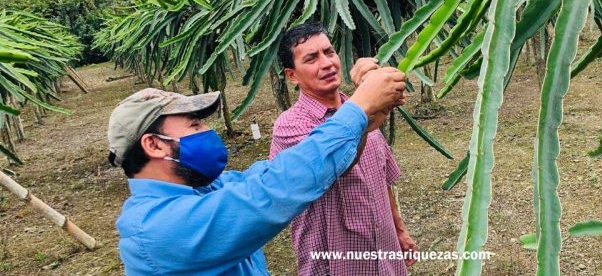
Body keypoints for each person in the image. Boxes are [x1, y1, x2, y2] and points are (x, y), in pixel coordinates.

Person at [107, 64, 406, 275]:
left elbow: (273, 172)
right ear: (154, 145)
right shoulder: (156, 229)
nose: (208, 131)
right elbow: (276, 188)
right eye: (195, 125)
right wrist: (358, 107)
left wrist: (363, 122)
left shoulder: (207, 189)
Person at [269, 22, 417, 276]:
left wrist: (400, 231)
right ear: (292, 75)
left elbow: (382, 179)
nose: (327, 63)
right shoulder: (290, 126)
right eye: (311, 58)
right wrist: (367, 107)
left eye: (329, 52)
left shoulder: (359, 108)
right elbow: (334, 165)